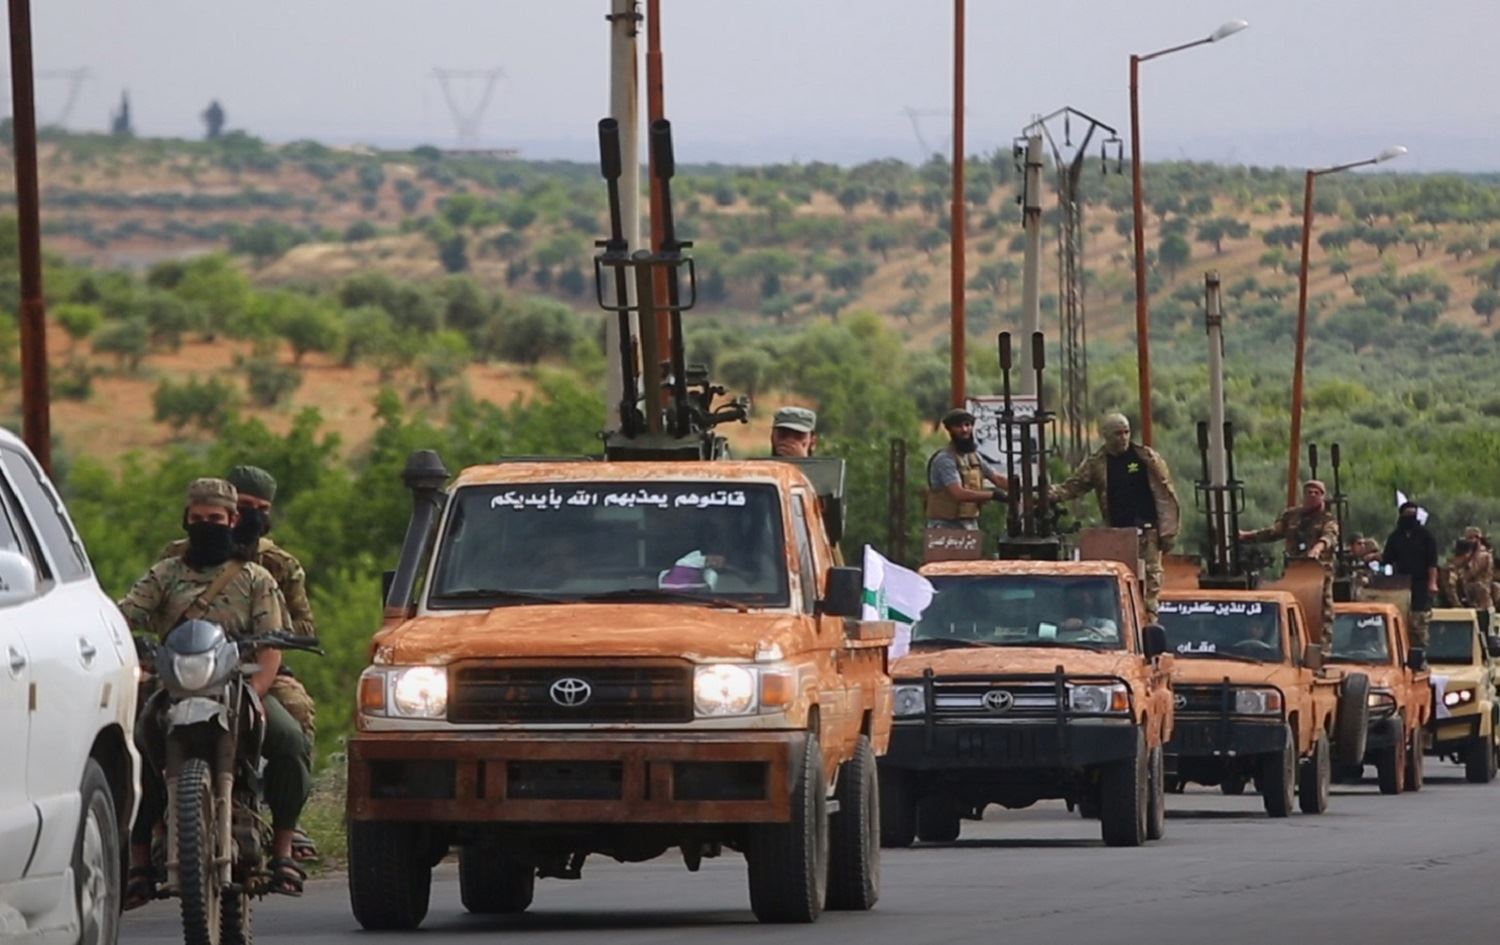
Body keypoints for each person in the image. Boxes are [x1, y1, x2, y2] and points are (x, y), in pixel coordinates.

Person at [120, 478, 310, 905]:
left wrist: (257, 695)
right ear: (187, 519)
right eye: (199, 518)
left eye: (216, 519)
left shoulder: (256, 578)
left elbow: (270, 645)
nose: (207, 525)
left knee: (291, 741)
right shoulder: (165, 573)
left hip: (238, 686)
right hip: (174, 686)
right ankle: (137, 861)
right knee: (135, 748)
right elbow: (127, 612)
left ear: (233, 520)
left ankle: (283, 850)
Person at [158, 465, 320, 860]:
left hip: (258, 665)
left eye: (261, 508)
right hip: (190, 666)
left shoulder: (276, 566)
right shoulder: (178, 559)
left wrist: (266, 630)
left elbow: (302, 624)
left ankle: (286, 820)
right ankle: (151, 831)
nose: (252, 516)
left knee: (295, 715)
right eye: (244, 505)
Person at [1049, 413, 1181, 619]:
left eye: (1126, 432)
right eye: (1118, 434)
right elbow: (1072, 487)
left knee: (1152, 577)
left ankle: (1150, 618)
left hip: (1148, 530)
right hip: (1118, 534)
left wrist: (1167, 529)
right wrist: (1046, 495)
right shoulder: (1097, 464)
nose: (1123, 438)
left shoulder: (1143, 458)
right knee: (1119, 580)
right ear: (1106, 436)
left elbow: (1165, 488)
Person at [1239, 479, 1339, 635]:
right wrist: (1246, 536)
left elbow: (1330, 537)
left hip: (1318, 572)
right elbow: (1273, 532)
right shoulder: (1292, 516)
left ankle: (1322, 648)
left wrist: (1318, 548)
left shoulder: (1327, 519)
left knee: (1322, 612)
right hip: (1294, 570)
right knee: (1287, 608)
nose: (1312, 495)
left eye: (1316, 493)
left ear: (1322, 497)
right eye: (1309, 492)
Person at [925, 408, 1007, 531]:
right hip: (945, 526)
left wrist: (1024, 489)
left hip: (969, 524)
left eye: (967, 425)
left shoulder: (974, 457)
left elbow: (997, 479)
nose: (964, 430)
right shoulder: (945, 459)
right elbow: (958, 493)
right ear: (950, 429)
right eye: (958, 426)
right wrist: (993, 495)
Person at [1380, 500, 1439, 662]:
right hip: (1401, 584)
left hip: (1421, 583)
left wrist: (1432, 583)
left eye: (1413, 515)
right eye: (1407, 515)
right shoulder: (1395, 537)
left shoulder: (1425, 536)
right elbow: (1387, 559)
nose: (1410, 518)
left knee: (1419, 623)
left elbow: (1432, 562)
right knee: (1402, 621)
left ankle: (1420, 656)